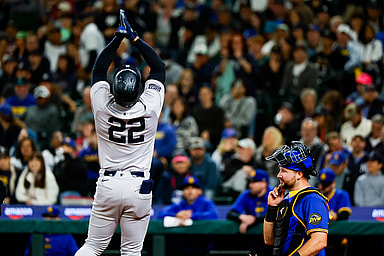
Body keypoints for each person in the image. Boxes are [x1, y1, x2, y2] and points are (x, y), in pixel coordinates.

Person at [75, 10, 165, 256]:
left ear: (114, 89)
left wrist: (117, 38)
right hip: (139, 185)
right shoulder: (149, 106)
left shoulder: (102, 105)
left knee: (93, 246)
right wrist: (135, 39)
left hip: (109, 183)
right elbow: (157, 68)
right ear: (138, 90)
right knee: (131, 252)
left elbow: (98, 70)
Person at [264, 141, 329, 256]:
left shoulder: (312, 199)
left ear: (299, 174)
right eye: (280, 170)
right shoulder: (285, 198)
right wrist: (272, 207)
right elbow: (269, 240)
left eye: (284, 171)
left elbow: (319, 241)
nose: (279, 175)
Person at [157, 176, 219, 256]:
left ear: (199, 191)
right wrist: (176, 215)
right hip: (181, 248)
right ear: (183, 192)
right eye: (186, 188)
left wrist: (191, 215)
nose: (190, 191)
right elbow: (161, 214)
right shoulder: (181, 204)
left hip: (201, 246)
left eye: (193, 188)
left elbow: (214, 215)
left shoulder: (206, 202)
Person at [317, 168, 352, 256]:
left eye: (326, 185)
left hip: (337, 242)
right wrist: (330, 215)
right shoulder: (315, 196)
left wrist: (334, 216)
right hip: (318, 243)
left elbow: (345, 214)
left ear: (333, 183)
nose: (322, 187)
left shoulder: (341, 195)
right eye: (321, 184)